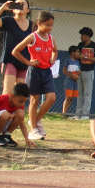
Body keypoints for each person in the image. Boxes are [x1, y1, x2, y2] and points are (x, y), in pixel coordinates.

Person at [11, 9, 58, 141]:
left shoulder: (51, 38)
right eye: (47, 25)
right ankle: (33, 130)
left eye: (51, 25)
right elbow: (15, 51)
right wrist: (28, 62)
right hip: (35, 71)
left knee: (51, 97)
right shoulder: (32, 37)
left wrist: (53, 59)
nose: (50, 28)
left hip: (46, 71)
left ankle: (35, 121)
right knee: (34, 100)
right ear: (39, 23)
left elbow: (55, 51)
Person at [0, 0, 31, 98]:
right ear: (13, 8)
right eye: (17, 4)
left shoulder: (32, 25)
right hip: (10, 60)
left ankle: (16, 113)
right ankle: (3, 112)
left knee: (20, 94)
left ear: (28, 10)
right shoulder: (8, 21)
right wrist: (3, 8)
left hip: (25, 61)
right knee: (8, 92)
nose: (19, 5)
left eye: (22, 4)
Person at [0, 82, 30, 148]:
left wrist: (27, 138)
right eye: (21, 101)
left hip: (4, 125)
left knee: (21, 113)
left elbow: (21, 122)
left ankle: (6, 136)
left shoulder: (19, 105)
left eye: (25, 102)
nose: (22, 104)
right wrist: (2, 114)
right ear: (12, 96)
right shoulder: (2, 99)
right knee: (5, 114)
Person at [74, 26, 95, 118]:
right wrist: (77, 55)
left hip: (89, 72)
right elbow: (76, 55)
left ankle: (85, 115)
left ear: (88, 36)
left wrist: (86, 57)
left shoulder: (94, 46)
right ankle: (78, 115)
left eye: (83, 35)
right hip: (80, 71)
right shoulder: (80, 45)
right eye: (81, 35)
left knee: (87, 94)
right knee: (80, 93)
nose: (81, 37)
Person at [60, 45, 81, 116]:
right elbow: (64, 71)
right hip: (69, 81)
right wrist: (72, 75)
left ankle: (66, 112)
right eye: (77, 52)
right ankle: (64, 112)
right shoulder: (68, 60)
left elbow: (78, 71)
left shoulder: (78, 62)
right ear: (72, 53)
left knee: (71, 98)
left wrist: (78, 74)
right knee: (68, 97)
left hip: (75, 81)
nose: (79, 54)